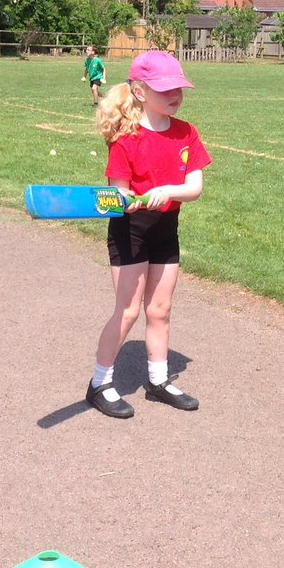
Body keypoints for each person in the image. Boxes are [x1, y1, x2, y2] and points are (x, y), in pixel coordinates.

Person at [86, 51, 211, 419]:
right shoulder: (125, 139)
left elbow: (195, 186)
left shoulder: (186, 132)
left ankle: (158, 381)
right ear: (139, 91)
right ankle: (99, 384)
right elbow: (118, 193)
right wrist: (131, 201)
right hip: (131, 230)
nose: (175, 95)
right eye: (164, 89)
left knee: (160, 309)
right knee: (127, 311)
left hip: (165, 229)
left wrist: (167, 191)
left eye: (179, 88)